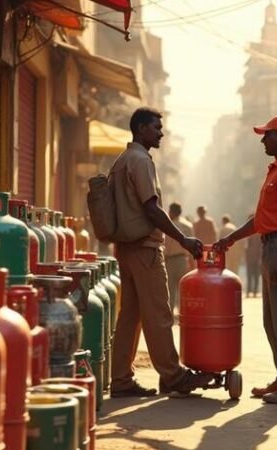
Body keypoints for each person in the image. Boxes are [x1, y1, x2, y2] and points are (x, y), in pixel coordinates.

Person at [109, 107, 213, 397]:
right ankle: (173, 375)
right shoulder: (141, 161)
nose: (161, 133)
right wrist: (182, 238)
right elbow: (151, 208)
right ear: (141, 128)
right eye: (156, 128)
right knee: (159, 313)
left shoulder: (122, 160)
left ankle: (120, 380)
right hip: (144, 249)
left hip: (126, 249)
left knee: (130, 316)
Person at [214, 115, 277, 404]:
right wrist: (230, 239)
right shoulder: (275, 171)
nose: (262, 140)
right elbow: (261, 220)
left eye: (267, 135)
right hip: (272, 246)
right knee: (271, 322)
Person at [164, 202, 194, 313]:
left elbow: (164, 245)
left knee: (169, 290)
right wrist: (192, 263)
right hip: (183, 260)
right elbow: (192, 247)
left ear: (171, 211)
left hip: (169, 261)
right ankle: (183, 313)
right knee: (183, 289)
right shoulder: (187, 225)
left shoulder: (166, 225)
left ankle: (170, 314)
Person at [244, 213, 262, 297]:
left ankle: (249, 291)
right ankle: (254, 291)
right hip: (257, 257)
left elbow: (246, 247)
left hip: (251, 257)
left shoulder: (249, 234)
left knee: (250, 275)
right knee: (256, 275)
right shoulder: (260, 232)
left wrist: (246, 256)